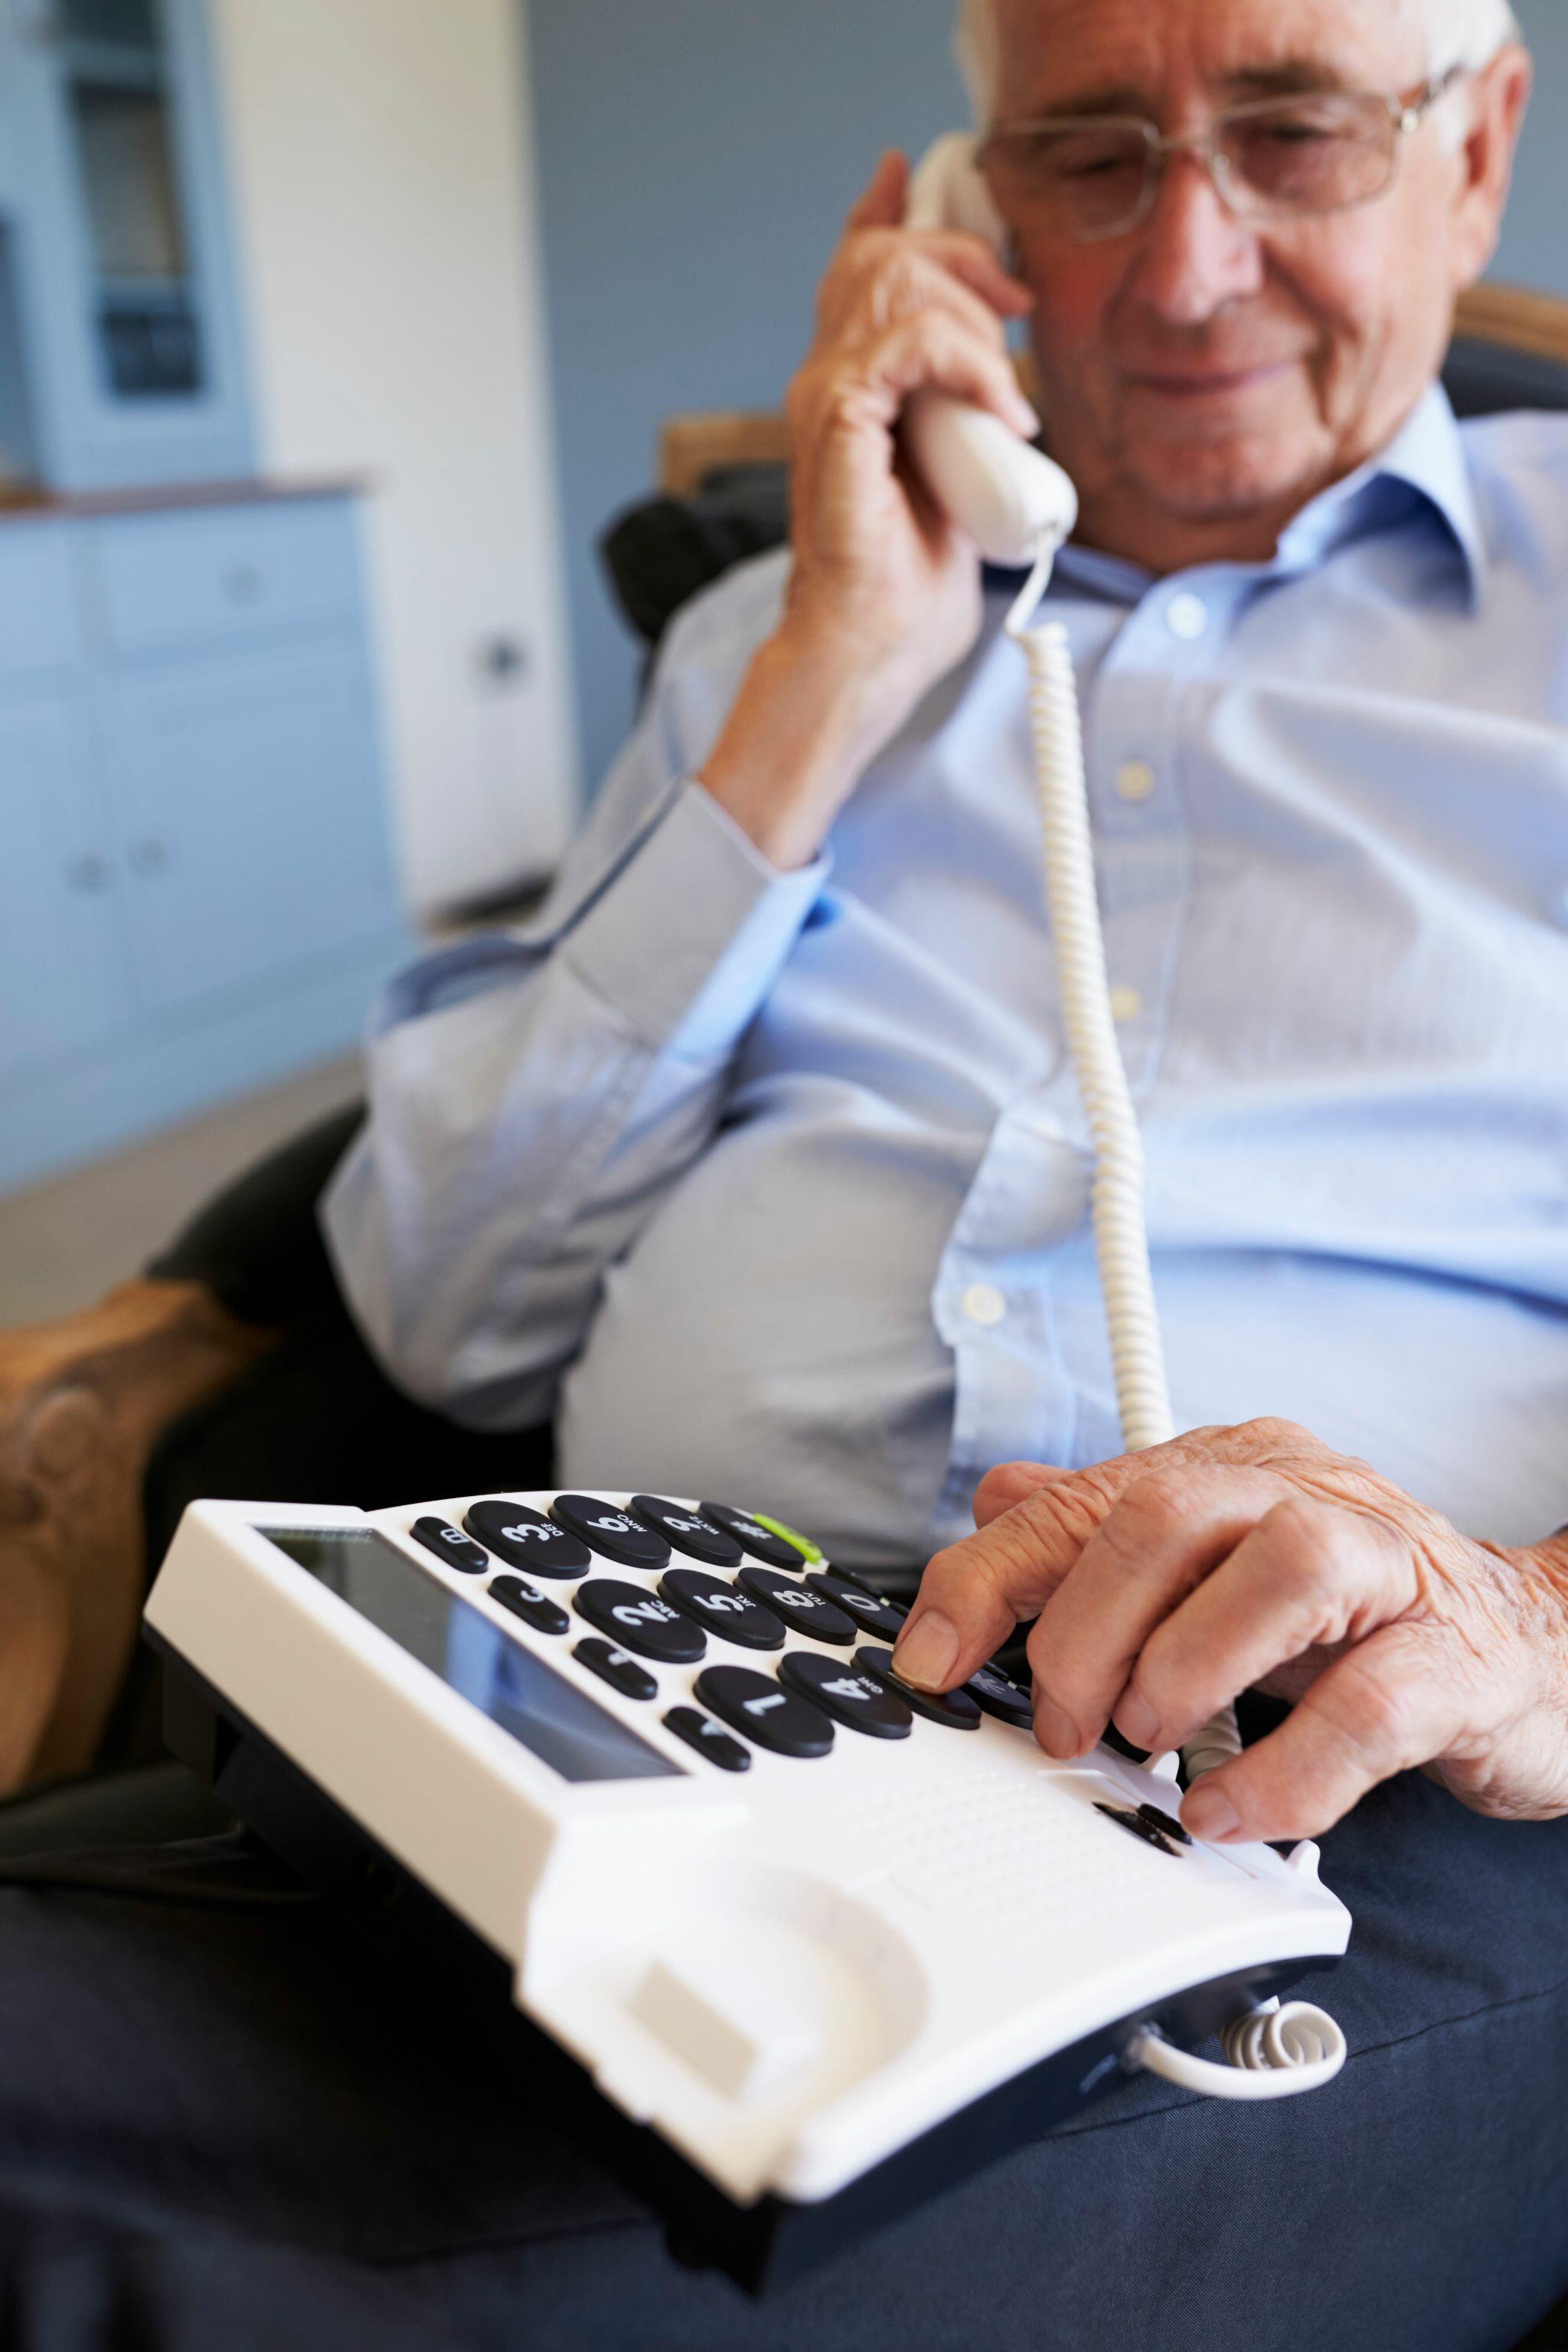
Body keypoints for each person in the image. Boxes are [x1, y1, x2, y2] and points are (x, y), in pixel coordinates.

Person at [2, 1, 1567, 2342]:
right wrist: (832, 673)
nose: (1184, 269)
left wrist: (1532, 1617)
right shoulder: (781, 626)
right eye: (1089, 153)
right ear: (966, 202)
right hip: (609, 1687)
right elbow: (438, 1307)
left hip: (1320, 1808)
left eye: (1293, 131)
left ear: (1478, 152)